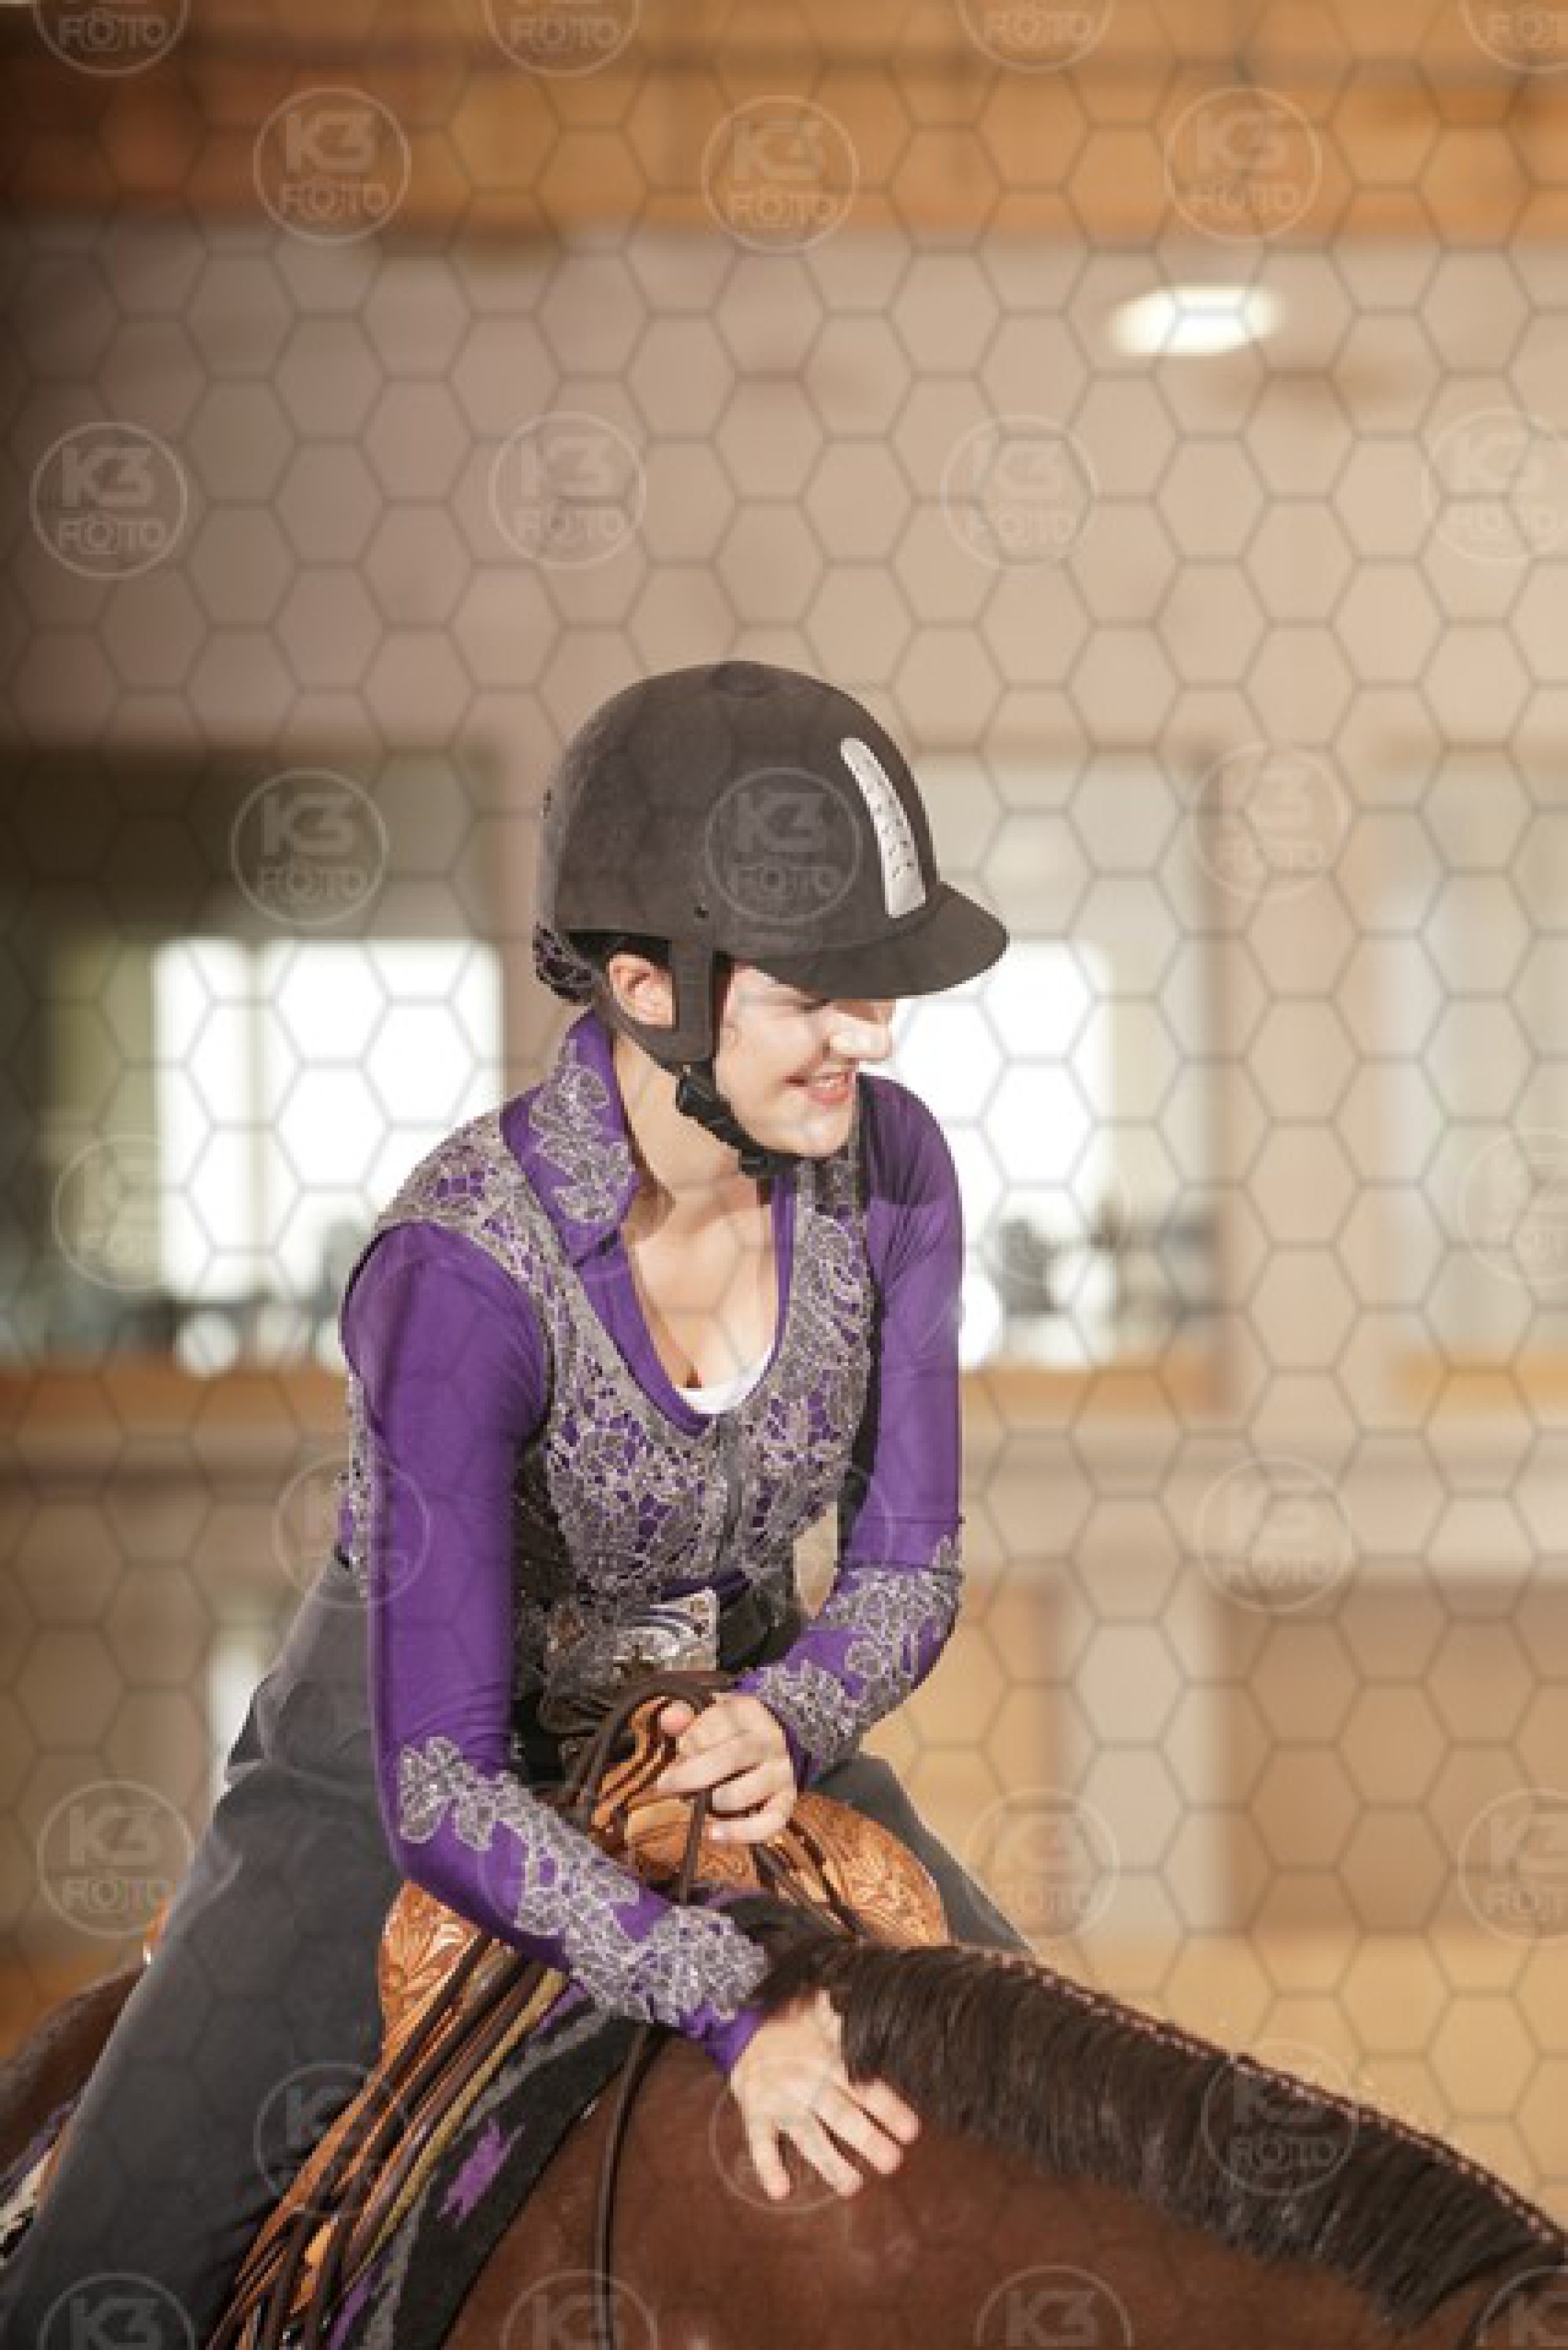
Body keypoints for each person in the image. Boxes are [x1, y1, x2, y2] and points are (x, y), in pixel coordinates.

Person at [0, 658, 1029, 2348]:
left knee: (1074, 2109)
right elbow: (438, 1786)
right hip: (397, 1788)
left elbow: (910, 1561)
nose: (875, 1032)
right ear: (647, 985)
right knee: (89, 2299)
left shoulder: (897, 1164)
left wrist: (793, 1708)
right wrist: (729, 1997)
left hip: (735, 1733)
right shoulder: (459, 1273)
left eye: (880, 990)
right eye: (818, 995)